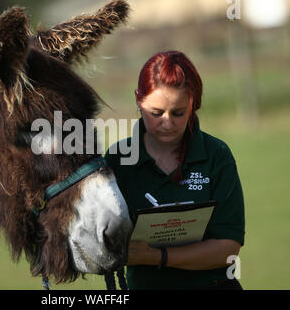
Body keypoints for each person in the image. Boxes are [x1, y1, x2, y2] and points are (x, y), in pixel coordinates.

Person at [104, 51, 245, 290]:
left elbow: (228, 248)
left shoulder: (217, 154)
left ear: (193, 104)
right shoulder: (118, 159)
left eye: (179, 113)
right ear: (138, 99)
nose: (167, 123)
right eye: (156, 113)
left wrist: (158, 257)